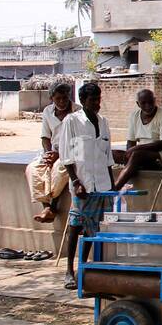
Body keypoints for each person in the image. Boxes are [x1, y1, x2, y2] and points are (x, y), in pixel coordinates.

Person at [56, 82, 117, 289]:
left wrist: (113, 185)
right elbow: (68, 156)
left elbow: (107, 156)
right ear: (83, 101)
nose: (97, 104)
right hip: (82, 183)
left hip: (102, 184)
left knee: (96, 229)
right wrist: (75, 181)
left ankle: (85, 267)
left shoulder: (104, 121)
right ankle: (69, 270)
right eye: (93, 100)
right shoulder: (72, 122)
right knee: (76, 226)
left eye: (99, 99)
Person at [26, 83, 74, 223]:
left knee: (60, 168)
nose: (62, 102)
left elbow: (77, 140)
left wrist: (59, 154)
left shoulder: (77, 111)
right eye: (58, 98)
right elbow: (45, 137)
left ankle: (53, 206)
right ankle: (46, 207)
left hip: (70, 152)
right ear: (51, 98)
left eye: (64, 98)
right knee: (33, 169)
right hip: (52, 151)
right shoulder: (48, 111)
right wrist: (49, 154)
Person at [112, 88, 162, 190]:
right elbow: (131, 141)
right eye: (143, 103)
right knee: (111, 154)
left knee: (137, 155)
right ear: (138, 104)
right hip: (140, 154)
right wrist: (128, 153)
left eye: (150, 102)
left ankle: (116, 187)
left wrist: (135, 150)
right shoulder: (134, 115)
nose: (148, 106)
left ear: (155, 100)